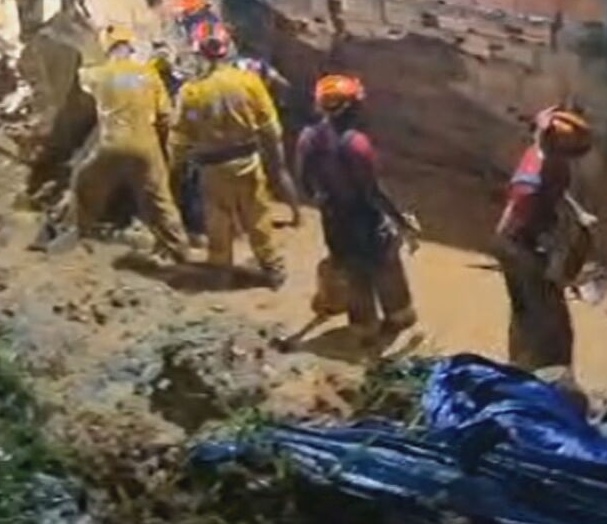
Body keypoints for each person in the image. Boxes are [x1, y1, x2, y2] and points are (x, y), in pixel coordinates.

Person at [296, 74, 420, 343]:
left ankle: (364, 328)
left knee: (354, 273)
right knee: (385, 265)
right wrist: (401, 221)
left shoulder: (308, 138)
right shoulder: (356, 145)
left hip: (334, 219)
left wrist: (326, 202)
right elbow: (372, 192)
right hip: (364, 218)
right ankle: (399, 317)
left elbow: (305, 183)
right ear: (352, 107)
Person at [169, 21, 289, 287]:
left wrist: (175, 166)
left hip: (213, 168)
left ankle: (220, 270)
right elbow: (270, 125)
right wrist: (275, 160)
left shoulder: (192, 91)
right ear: (227, 49)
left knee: (218, 219)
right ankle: (272, 269)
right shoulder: (248, 81)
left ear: (199, 52)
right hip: (247, 161)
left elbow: (180, 136)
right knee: (257, 216)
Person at [71, 26, 191, 263]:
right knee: (160, 201)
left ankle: (82, 233)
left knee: (82, 181)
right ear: (130, 48)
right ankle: (180, 250)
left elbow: (80, 78)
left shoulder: (98, 74)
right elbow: (166, 115)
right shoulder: (148, 74)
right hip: (145, 146)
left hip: (112, 146)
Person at [495, 105, 594, 373]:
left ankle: (531, 361)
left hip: (535, 238)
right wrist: (542, 262)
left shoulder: (548, 160)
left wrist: (575, 214)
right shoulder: (529, 187)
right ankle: (532, 368)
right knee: (536, 312)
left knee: (536, 311)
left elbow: (556, 193)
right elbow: (509, 230)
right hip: (522, 247)